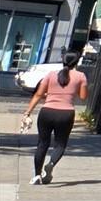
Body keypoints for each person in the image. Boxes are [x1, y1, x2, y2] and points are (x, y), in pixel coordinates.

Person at [22, 52, 87, 185]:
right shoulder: (80, 76)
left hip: (47, 112)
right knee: (60, 144)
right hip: (66, 114)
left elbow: (38, 94)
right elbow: (83, 96)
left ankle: (36, 176)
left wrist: (27, 112)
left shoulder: (51, 75)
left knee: (42, 144)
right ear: (76, 62)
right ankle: (51, 163)